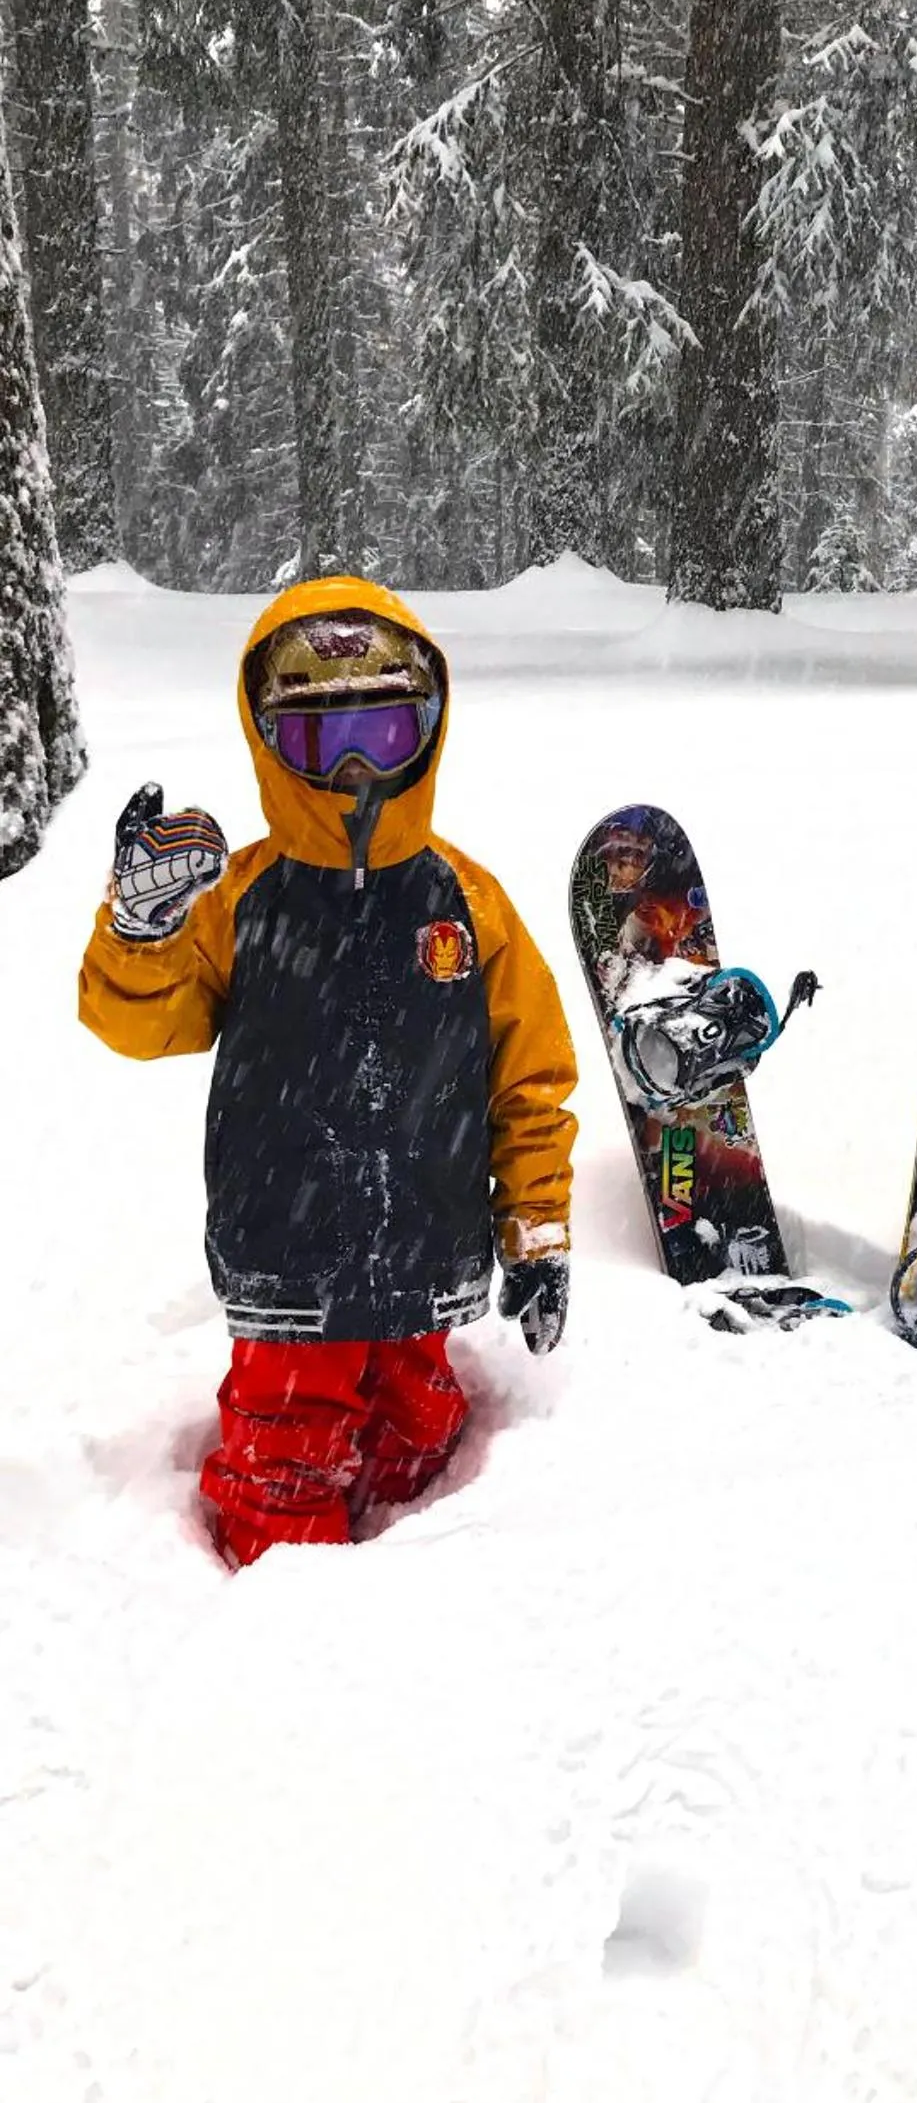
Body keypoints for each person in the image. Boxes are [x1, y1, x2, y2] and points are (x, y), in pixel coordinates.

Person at [78, 574, 578, 1566]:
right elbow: (141, 1022)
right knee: (282, 1466)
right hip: (288, 1264)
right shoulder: (246, 898)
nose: (354, 769)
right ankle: (287, 1639)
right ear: (271, 743)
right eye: (320, 740)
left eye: (382, 736)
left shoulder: (467, 903)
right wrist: (140, 934)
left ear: (427, 733)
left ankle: (414, 1595)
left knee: (422, 1444)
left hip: (426, 1254)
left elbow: (531, 1083)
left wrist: (538, 1232)